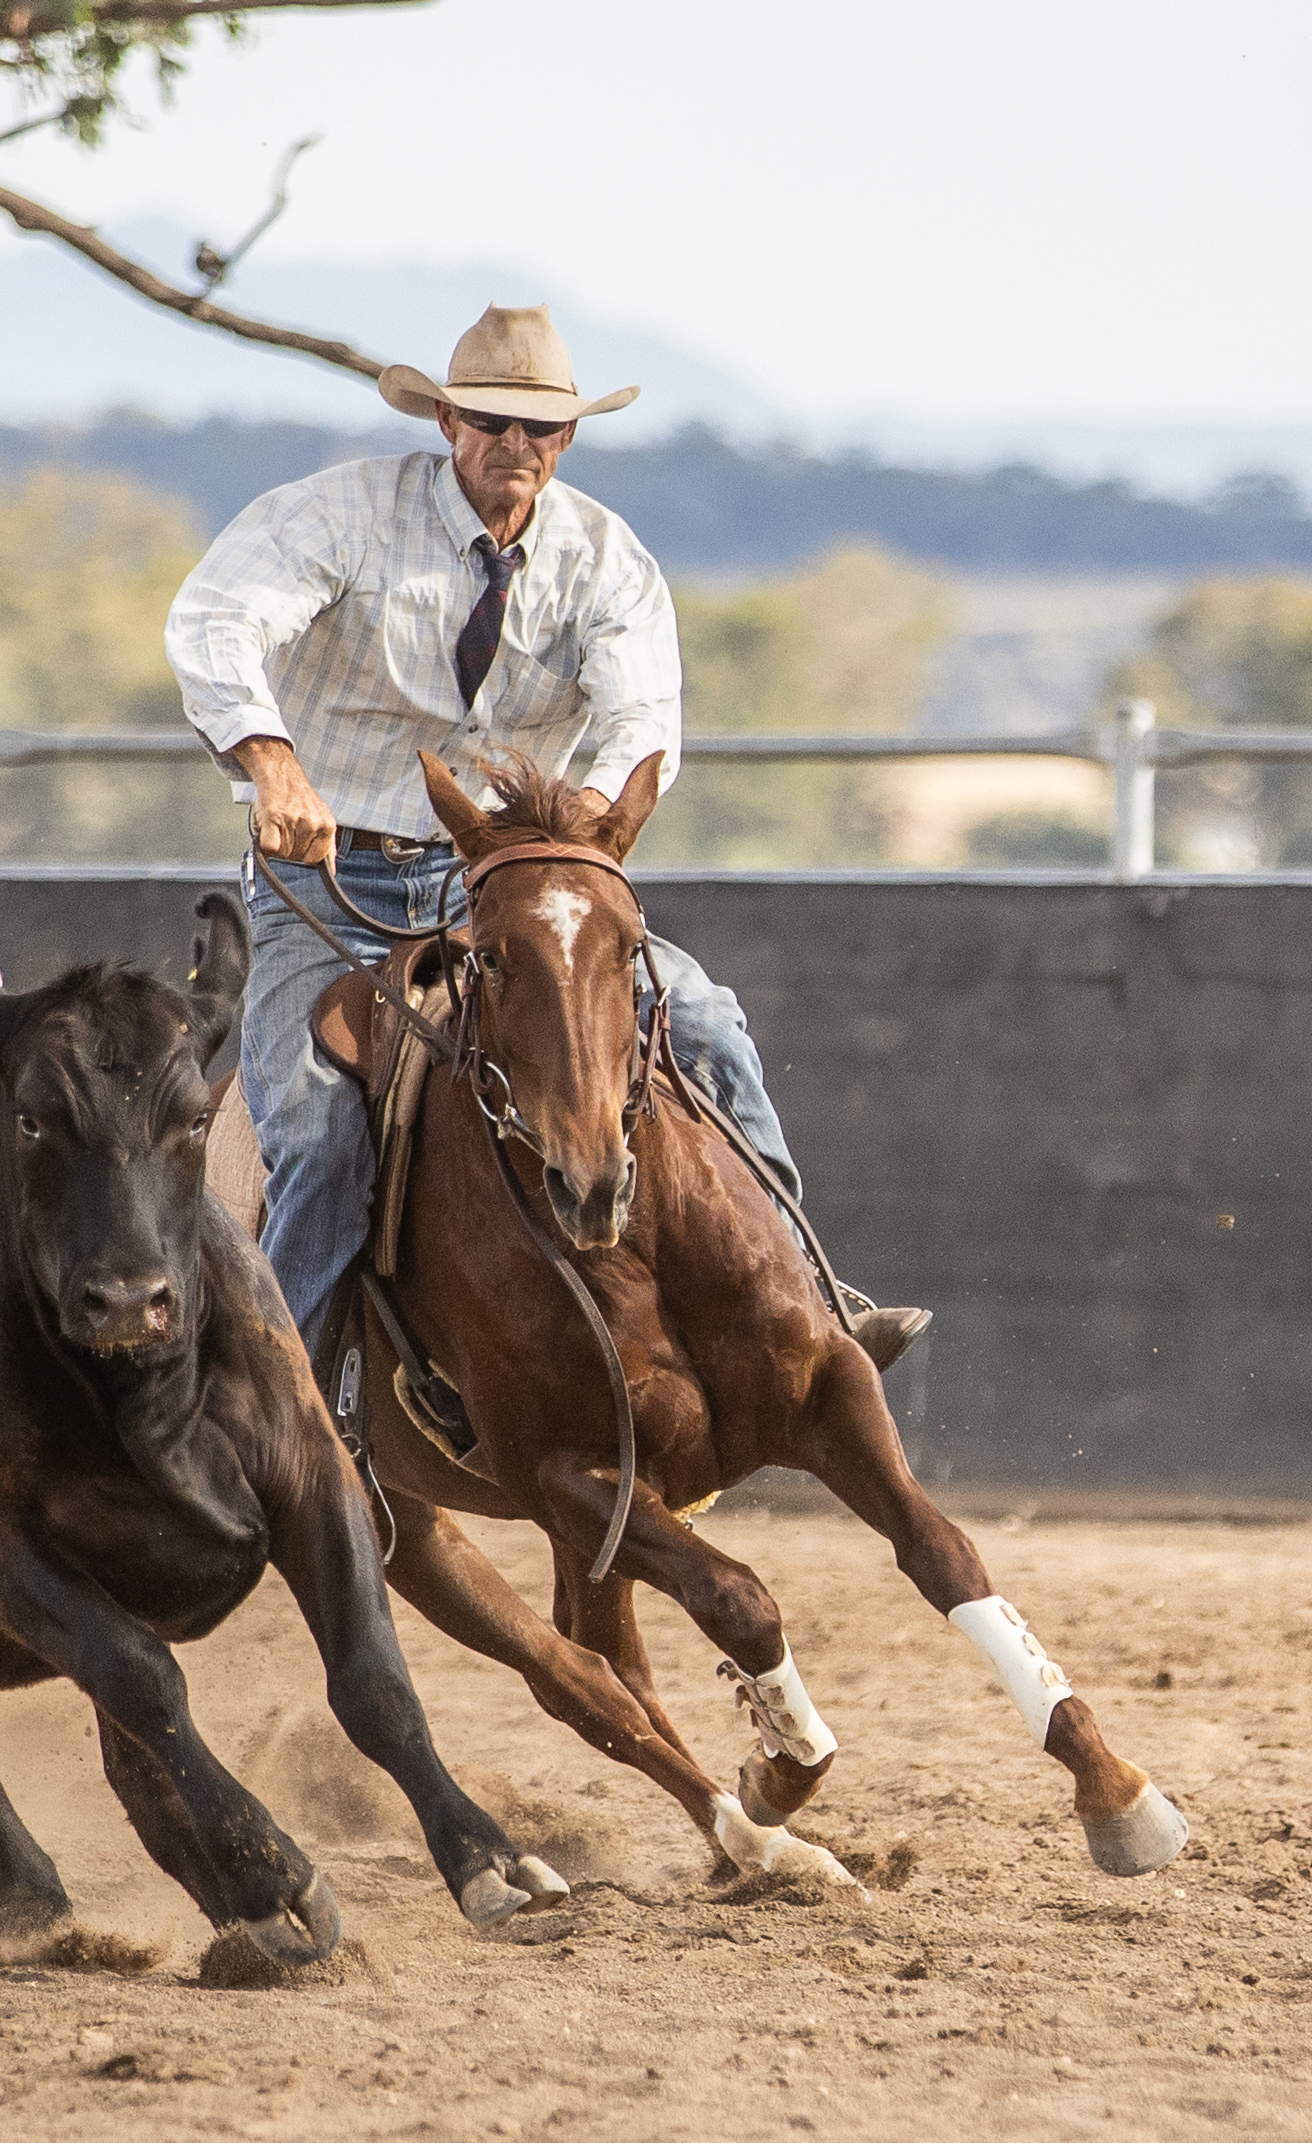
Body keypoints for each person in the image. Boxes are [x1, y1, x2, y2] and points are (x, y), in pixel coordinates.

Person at [164, 302, 929, 1375]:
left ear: (566, 438)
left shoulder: (604, 562)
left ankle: (808, 1300)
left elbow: (639, 719)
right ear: (446, 422)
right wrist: (271, 761)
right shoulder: (341, 515)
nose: (513, 444)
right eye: (489, 420)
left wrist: (579, 837)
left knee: (706, 1026)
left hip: (509, 891)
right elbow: (216, 618)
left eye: (538, 427)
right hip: (327, 888)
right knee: (318, 1136)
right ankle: (280, 1399)